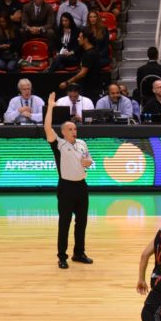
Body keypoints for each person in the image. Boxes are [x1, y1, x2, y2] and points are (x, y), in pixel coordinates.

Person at [45, 91, 93, 269]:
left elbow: (88, 160)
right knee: (64, 222)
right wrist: (50, 107)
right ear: (63, 132)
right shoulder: (58, 144)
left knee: (82, 222)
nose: (74, 131)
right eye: (70, 129)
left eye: (75, 129)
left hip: (82, 186)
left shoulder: (82, 144)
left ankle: (79, 253)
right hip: (66, 188)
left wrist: (88, 162)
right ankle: (62, 256)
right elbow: (47, 128)